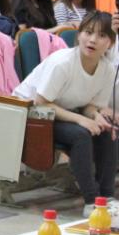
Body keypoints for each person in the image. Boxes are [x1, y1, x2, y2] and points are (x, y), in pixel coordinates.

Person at [13, 11, 118, 216]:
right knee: (80, 134)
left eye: (102, 35)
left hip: (62, 113)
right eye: (88, 32)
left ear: (111, 43)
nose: (93, 40)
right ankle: (91, 202)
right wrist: (81, 120)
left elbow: (90, 106)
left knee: (108, 131)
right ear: (79, 35)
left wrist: (96, 117)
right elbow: (41, 102)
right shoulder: (62, 62)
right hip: (31, 115)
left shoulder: (107, 69)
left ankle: (107, 198)